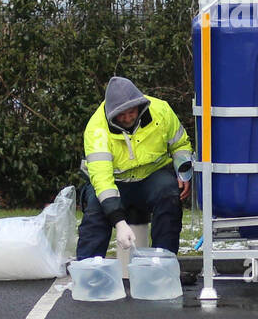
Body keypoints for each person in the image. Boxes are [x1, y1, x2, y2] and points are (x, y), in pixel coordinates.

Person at [77, 76, 193, 259]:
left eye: (131, 112)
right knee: (95, 210)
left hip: (152, 177)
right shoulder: (96, 129)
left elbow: (180, 145)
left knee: (170, 195)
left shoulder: (161, 111)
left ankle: (164, 265)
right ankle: (88, 274)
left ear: (140, 105)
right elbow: (101, 179)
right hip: (115, 182)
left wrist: (183, 172)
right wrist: (119, 222)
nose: (127, 118)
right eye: (121, 115)